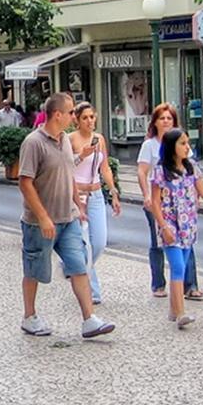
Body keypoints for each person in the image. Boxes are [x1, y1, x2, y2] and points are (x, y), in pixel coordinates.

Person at [17, 92, 115, 339]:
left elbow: (69, 174)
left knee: (79, 266)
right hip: (39, 222)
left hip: (68, 218)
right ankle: (29, 317)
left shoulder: (64, 140)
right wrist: (42, 217)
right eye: (71, 112)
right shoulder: (33, 142)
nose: (74, 116)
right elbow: (25, 182)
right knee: (34, 270)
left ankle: (89, 320)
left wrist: (78, 206)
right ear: (57, 114)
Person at [148, 128, 203, 329]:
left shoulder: (192, 168)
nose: (187, 147)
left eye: (187, 143)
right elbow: (154, 202)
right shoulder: (160, 171)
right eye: (182, 143)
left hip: (188, 224)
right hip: (169, 223)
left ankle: (173, 309)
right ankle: (181, 314)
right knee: (177, 266)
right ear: (171, 147)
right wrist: (163, 226)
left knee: (183, 265)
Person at [137, 104, 201, 299]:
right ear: (155, 122)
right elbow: (142, 171)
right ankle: (158, 284)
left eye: (169, 118)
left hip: (182, 204)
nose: (166, 121)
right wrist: (146, 194)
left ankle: (189, 285)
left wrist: (196, 198)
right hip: (160, 203)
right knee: (158, 243)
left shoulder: (181, 142)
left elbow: (191, 172)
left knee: (186, 244)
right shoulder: (150, 145)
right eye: (162, 118)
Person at [69, 102, 121, 305]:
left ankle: (73, 266)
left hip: (96, 193)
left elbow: (105, 167)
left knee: (99, 242)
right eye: (85, 118)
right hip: (78, 194)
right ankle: (92, 289)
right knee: (85, 244)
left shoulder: (100, 140)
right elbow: (65, 168)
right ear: (77, 120)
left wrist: (113, 192)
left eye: (92, 117)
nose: (90, 121)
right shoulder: (70, 140)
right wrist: (81, 156)